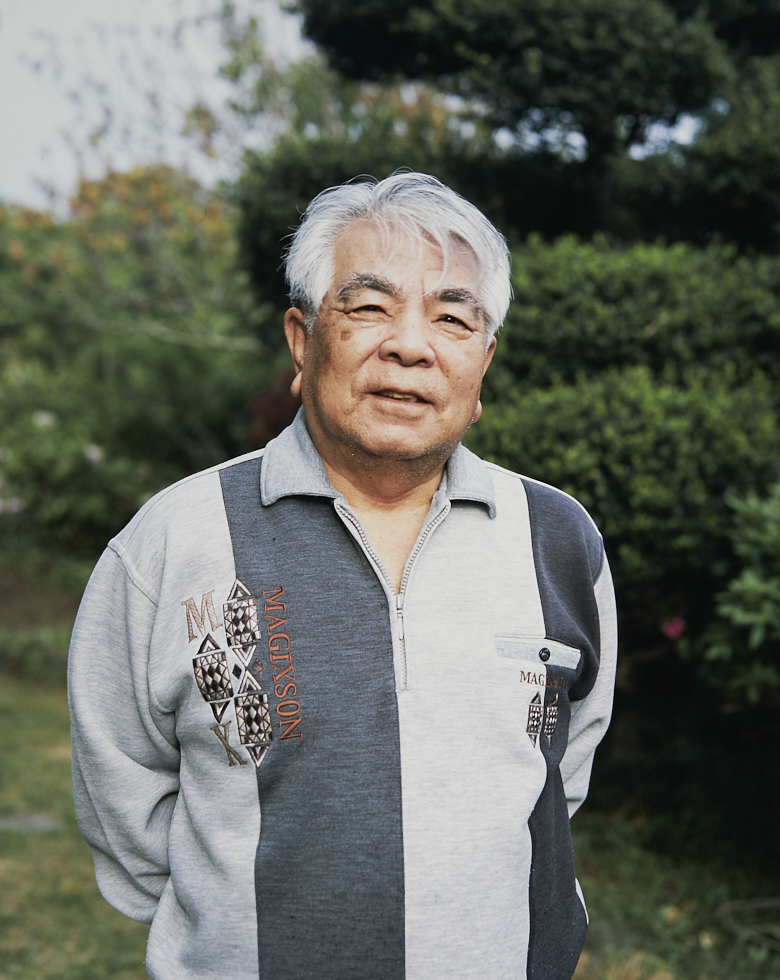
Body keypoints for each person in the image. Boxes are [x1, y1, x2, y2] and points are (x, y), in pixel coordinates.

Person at [68, 172, 616, 980]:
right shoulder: (180, 537)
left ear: (484, 361)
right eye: (369, 307)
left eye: (453, 318)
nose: (411, 346)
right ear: (302, 339)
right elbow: (123, 787)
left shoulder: (556, 538)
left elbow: (559, 772)